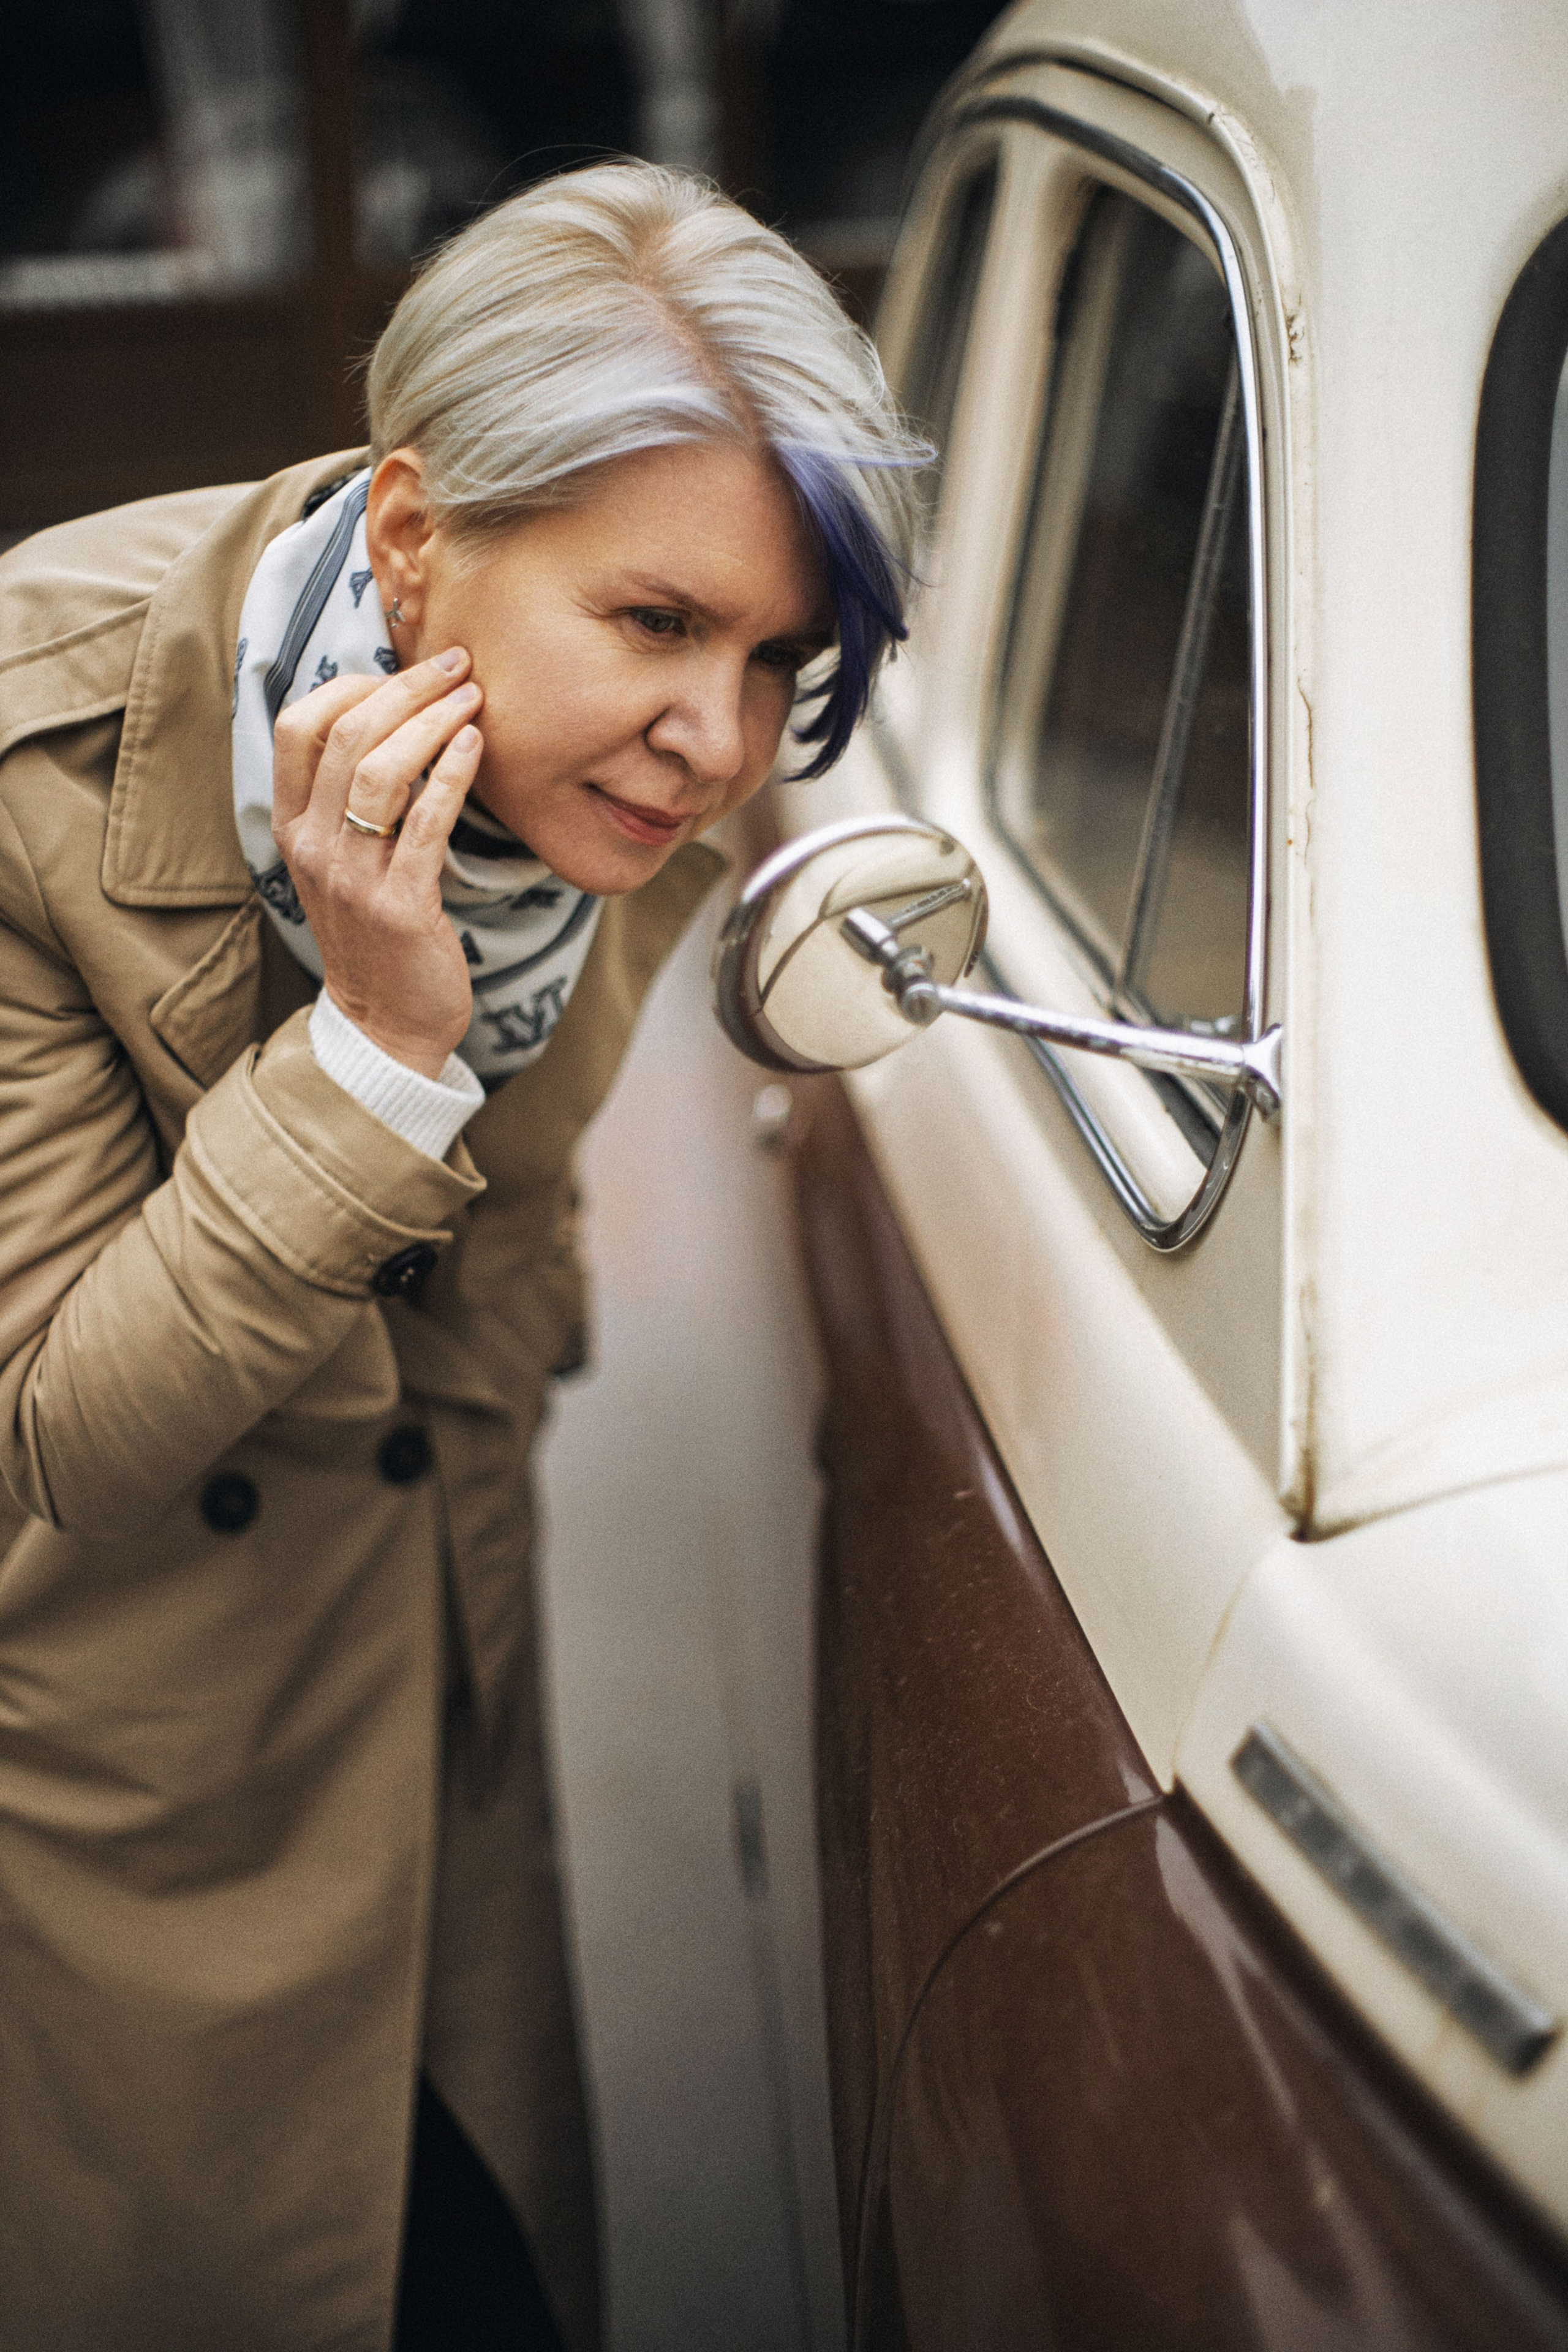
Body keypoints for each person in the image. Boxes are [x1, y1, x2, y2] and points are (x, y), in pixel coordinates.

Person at [0, 162, 921, 2352]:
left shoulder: (607, 775)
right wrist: (377, 1051)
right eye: (660, 624)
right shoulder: (37, 761)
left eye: (782, 652)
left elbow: (503, 1228)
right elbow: (55, 1427)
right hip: (135, 1769)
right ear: (412, 544)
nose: (725, 743)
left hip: (436, 1670)